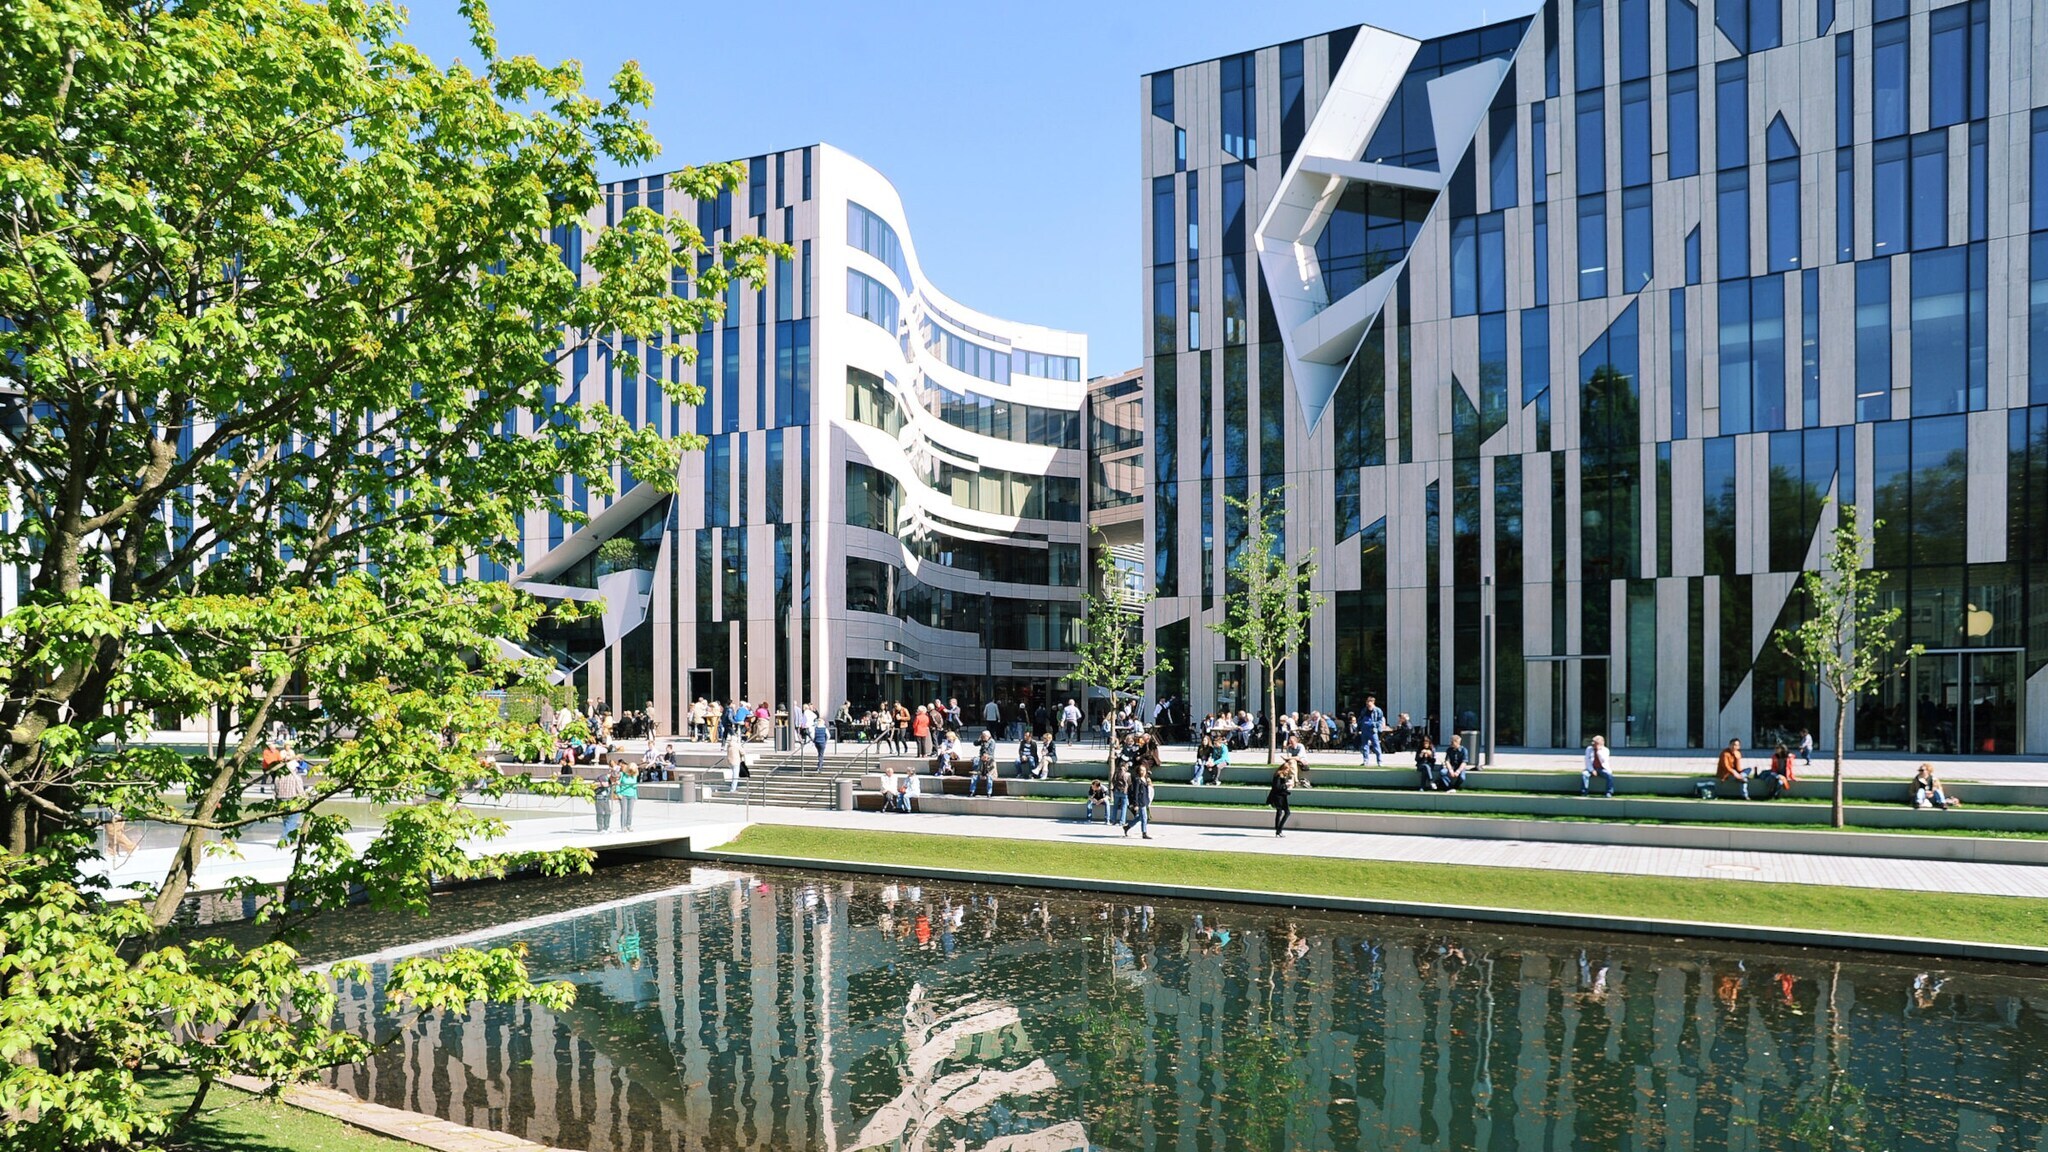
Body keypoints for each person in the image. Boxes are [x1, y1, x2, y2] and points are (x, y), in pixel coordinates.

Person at [272, 753, 306, 845]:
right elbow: (299, 788)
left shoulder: (279, 776)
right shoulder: (295, 776)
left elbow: (276, 789)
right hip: (293, 800)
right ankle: (283, 840)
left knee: (286, 821)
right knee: (291, 822)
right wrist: (304, 798)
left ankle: (290, 839)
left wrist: (276, 800)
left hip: (281, 800)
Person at [1122, 763, 1153, 839]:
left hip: (1144, 800)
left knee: (1140, 817)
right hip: (1140, 801)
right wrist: (1135, 804)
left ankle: (1127, 826)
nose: (1144, 772)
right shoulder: (1137, 780)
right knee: (1144, 817)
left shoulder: (1145, 779)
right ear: (1139, 771)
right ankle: (1144, 833)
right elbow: (1136, 792)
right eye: (1142, 770)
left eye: (1144, 770)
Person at [1267, 759, 1296, 836]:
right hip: (1279, 797)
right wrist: (1286, 785)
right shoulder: (1279, 776)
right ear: (1284, 769)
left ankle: (1277, 830)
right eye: (1287, 770)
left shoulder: (1280, 776)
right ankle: (1279, 829)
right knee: (1287, 812)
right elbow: (1277, 787)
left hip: (1279, 796)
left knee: (1279, 812)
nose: (1287, 772)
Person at [970, 730, 998, 796]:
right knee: (974, 775)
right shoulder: (982, 740)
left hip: (989, 759)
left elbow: (990, 751)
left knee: (989, 778)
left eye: (984, 736)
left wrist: (986, 756)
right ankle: (972, 792)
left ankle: (989, 793)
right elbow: (975, 743)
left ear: (988, 736)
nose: (983, 737)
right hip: (982, 761)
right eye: (982, 736)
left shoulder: (992, 742)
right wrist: (979, 739)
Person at [1360, 695, 1386, 765]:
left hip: (1372, 730)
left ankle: (1379, 761)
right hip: (1364, 730)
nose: (1368, 704)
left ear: (1373, 702)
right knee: (1364, 746)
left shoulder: (1378, 710)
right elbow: (1361, 718)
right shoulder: (1364, 710)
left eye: (1369, 702)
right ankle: (1366, 761)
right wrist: (1359, 726)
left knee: (1376, 746)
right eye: (1367, 702)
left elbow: (1380, 721)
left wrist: (1375, 725)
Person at [614, 764, 639, 832]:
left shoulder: (634, 776)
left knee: (630, 812)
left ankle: (628, 825)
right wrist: (618, 793)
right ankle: (623, 826)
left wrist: (635, 796)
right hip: (623, 795)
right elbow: (617, 784)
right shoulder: (622, 774)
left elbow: (635, 787)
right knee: (624, 811)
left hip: (631, 796)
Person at [594, 766, 616, 832]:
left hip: (606, 798)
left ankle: (606, 827)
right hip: (599, 797)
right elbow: (603, 784)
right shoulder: (603, 777)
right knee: (600, 813)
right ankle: (600, 828)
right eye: (614, 779)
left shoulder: (611, 780)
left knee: (608, 812)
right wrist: (605, 784)